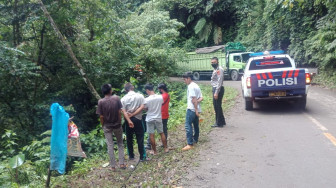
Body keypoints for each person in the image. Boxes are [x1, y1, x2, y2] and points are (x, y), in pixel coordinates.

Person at [96, 84, 133, 171]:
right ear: (110, 90)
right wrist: (120, 122)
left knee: (110, 145)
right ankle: (122, 164)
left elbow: (101, 116)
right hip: (117, 125)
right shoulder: (116, 98)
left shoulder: (100, 102)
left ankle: (113, 166)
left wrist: (103, 125)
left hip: (107, 126)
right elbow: (119, 112)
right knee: (120, 143)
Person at [121, 83, 147, 162]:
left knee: (129, 139)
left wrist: (129, 120)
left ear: (125, 90)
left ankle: (131, 156)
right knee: (140, 138)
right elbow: (142, 107)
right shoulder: (140, 96)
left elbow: (124, 112)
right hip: (138, 119)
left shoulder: (123, 99)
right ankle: (142, 156)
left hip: (128, 120)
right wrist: (134, 114)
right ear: (133, 87)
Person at [144, 84, 169, 155]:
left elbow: (146, 108)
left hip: (150, 118)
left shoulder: (146, 99)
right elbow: (160, 105)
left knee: (151, 135)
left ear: (148, 90)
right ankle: (165, 148)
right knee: (162, 133)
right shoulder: (160, 97)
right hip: (158, 117)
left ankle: (154, 151)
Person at [182, 72, 203, 151]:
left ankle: (190, 143)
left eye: (185, 79)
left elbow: (193, 99)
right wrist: (197, 107)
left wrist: (196, 109)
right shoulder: (196, 85)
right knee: (195, 125)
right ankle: (195, 139)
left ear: (189, 78)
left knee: (188, 125)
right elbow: (201, 98)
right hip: (196, 109)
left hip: (191, 109)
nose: (185, 81)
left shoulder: (190, 87)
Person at [210, 57, 226, 127]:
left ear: (217, 62)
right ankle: (222, 121)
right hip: (216, 88)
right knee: (217, 105)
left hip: (218, 89)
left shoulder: (219, 69)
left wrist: (216, 92)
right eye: (212, 62)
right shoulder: (216, 69)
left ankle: (218, 123)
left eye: (214, 62)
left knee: (217, 106)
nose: (213, 64)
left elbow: (219, 81)